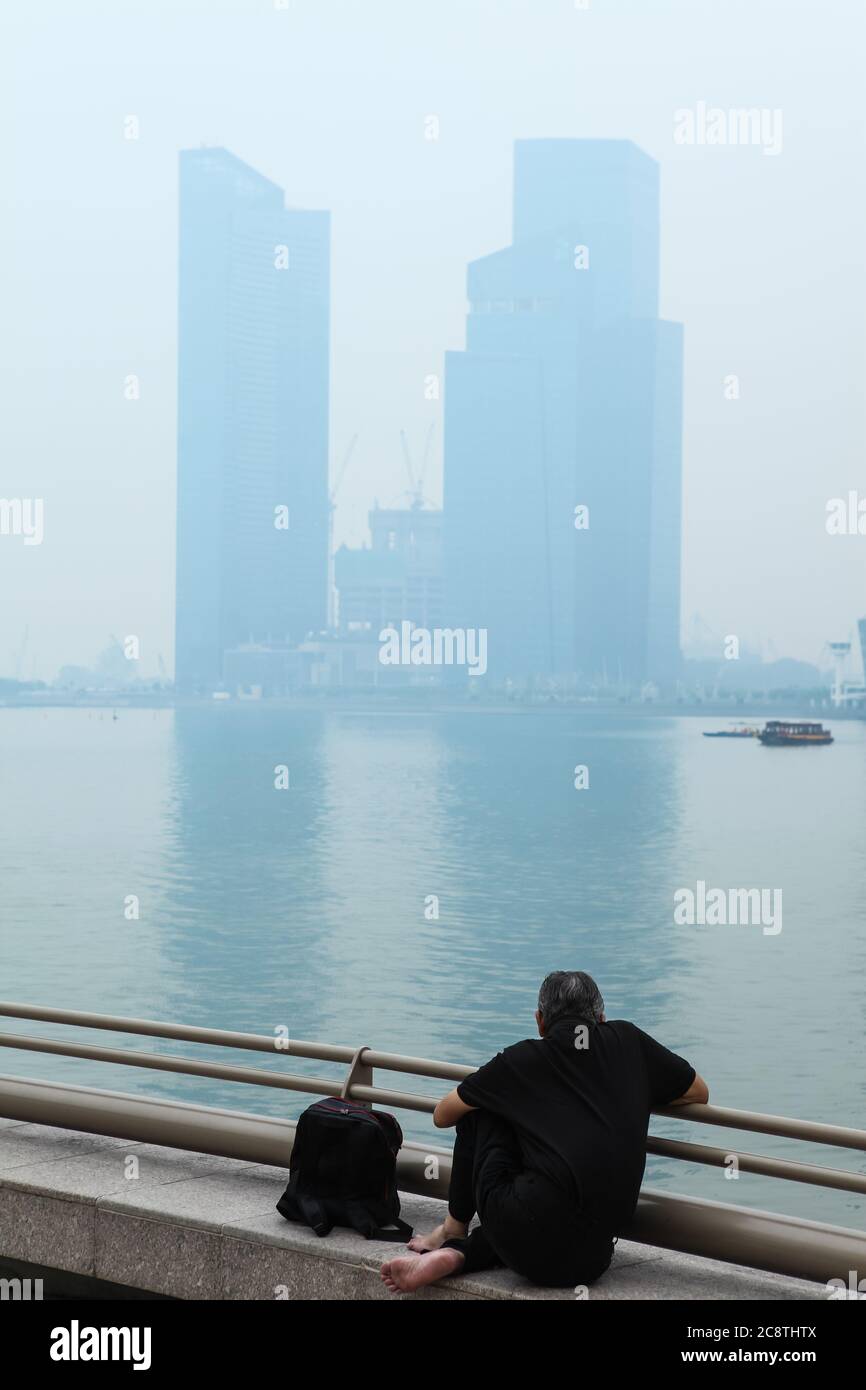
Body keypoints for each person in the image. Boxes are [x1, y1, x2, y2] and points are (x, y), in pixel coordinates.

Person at [380, 970, 708, 1293]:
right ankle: (456, 1257)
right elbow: (698, 1091)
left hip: (522, 1237)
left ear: (540, 1021)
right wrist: (630, 1092)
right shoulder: (629, 1040)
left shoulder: (521, 1060)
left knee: (480, 1109)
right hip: (593, 1259)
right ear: (602, 1018)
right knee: (552, 1221)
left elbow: (443, 1114)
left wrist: (512, 1099)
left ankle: (453, 1232)